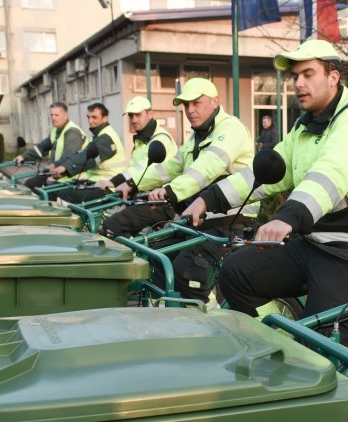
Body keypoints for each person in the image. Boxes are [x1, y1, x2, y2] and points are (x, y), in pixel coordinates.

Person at [184, 40, 348, 342]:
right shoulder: (305, 127)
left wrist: (287, 217)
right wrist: (208, 199)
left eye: (308, 74)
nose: (298, 83)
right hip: (315, 243)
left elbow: (331, 174)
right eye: (295, 77)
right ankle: (272, 344)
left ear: (333, 77)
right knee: (234, 273)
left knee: (317, 346)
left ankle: (315, 369)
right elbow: (266, 173)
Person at [99, 78, 254, 303]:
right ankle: (172, 316)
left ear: (215, 101)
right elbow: (170, 167)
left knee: (187, 272)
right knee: (157, 255)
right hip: (198, 219)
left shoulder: (231, 128)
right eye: (185, 105)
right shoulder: (196, 136)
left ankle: (206, 324)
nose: (190, 110)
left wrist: (172, 191)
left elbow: (208, 167)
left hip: (230, 220)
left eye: (196, 103)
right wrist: (132, 183)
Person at [46, 103, 127, 202]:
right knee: (54, 187)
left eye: (94, 117)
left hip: (109, 186)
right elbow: (82, 154)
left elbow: (87, 157)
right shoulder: (97, 135)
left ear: (105, 118)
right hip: (95, 181)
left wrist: (64, 167)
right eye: (88, 117)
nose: (90, 121)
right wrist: (63, 172)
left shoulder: (107, 137)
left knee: (54, 191)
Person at [13, 102, 87, 189]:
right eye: (51, 115)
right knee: (30, 184)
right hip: (56, 172)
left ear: (65, 115)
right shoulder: (55, 131)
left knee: (35, 186)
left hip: (71, 175)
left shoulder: (73, 132)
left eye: (56, 115)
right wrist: (23, 156)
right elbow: (41, 148)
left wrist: (53, 167)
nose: (53, 118)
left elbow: (68, 157)